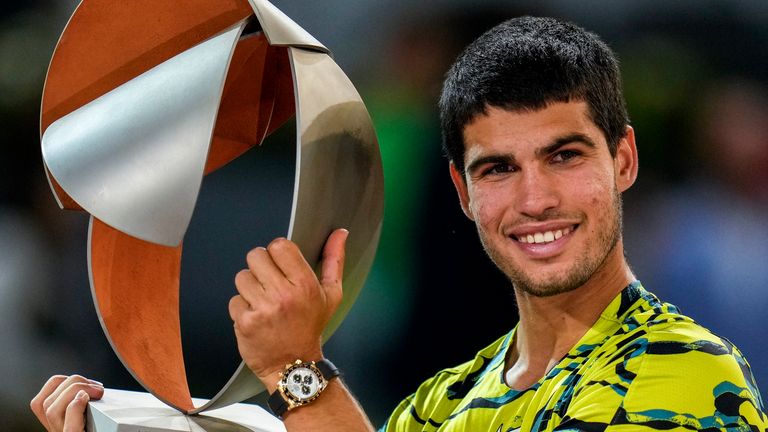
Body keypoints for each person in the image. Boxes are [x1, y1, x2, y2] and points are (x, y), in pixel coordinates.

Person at [31, 16, 766, 432]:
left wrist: (297, 371)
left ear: (626, 159)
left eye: (565, 155)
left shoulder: (691, 376)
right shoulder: (443, 400)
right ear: (461, 191)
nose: (536, 198)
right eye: (498, 169)